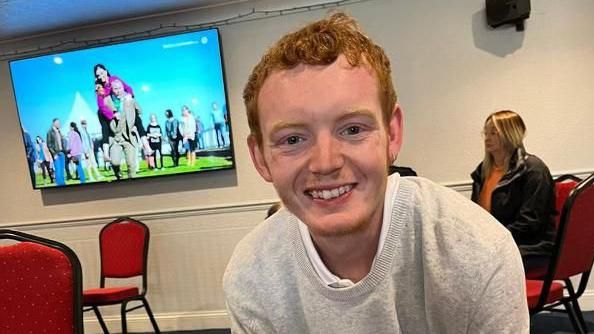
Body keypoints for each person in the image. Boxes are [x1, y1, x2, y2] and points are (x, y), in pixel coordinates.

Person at [223, 13, 529, 333]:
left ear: (392, 133)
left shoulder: (477, 254)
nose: (325, 162)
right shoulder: (251, 276)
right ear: (260, 157)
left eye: (353, 129)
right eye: (293, 139)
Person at [471, 110, 556, 278]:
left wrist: (494, 241)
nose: (487, 137)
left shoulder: (533, 169)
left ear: (510, 134)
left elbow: (531, 222)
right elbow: (475, 216)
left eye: (493, 132)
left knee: (475, 265)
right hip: (495, 244)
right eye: (485, 133)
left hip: (531, 246)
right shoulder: (482, 171)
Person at [108, 79, 139, 179]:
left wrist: (135, 126)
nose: (118, 91)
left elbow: (138, 113)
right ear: (112, 90)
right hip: (115, 138)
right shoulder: (107, 102)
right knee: (115, 162)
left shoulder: (129, 100)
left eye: (120, 88)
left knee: (131, 164)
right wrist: (113, 115)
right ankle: (118, 175)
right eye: (115, 89)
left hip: (128, 137)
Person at [46, 118, 67, 186]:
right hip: (56, 153)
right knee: (58, 170)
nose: (59, 124)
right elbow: (49, 145)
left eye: (59, 123)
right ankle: (59, 184)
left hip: (62, 153)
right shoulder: (50, 132)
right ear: (53, 123)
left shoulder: (59, 131)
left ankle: (63, 184)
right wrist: (54, 154)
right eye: (57, 123)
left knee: (62, 170)